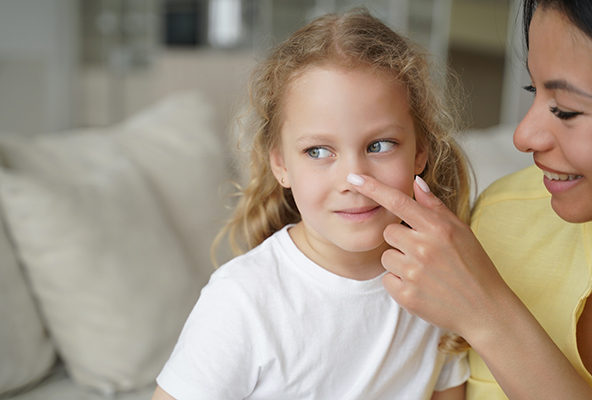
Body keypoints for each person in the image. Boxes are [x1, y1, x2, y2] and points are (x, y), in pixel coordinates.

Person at [150, 8, 472, 400]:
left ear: (420, 153)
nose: (356, 180)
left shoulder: (440, 282)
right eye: (319, 151)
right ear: (281, 165)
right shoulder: (242, 301)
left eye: (380, 145)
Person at [347, 0, 592, 398]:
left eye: (565, 110)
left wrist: (488, 315)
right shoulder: (497, 221)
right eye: (533, 90)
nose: (523, 136)